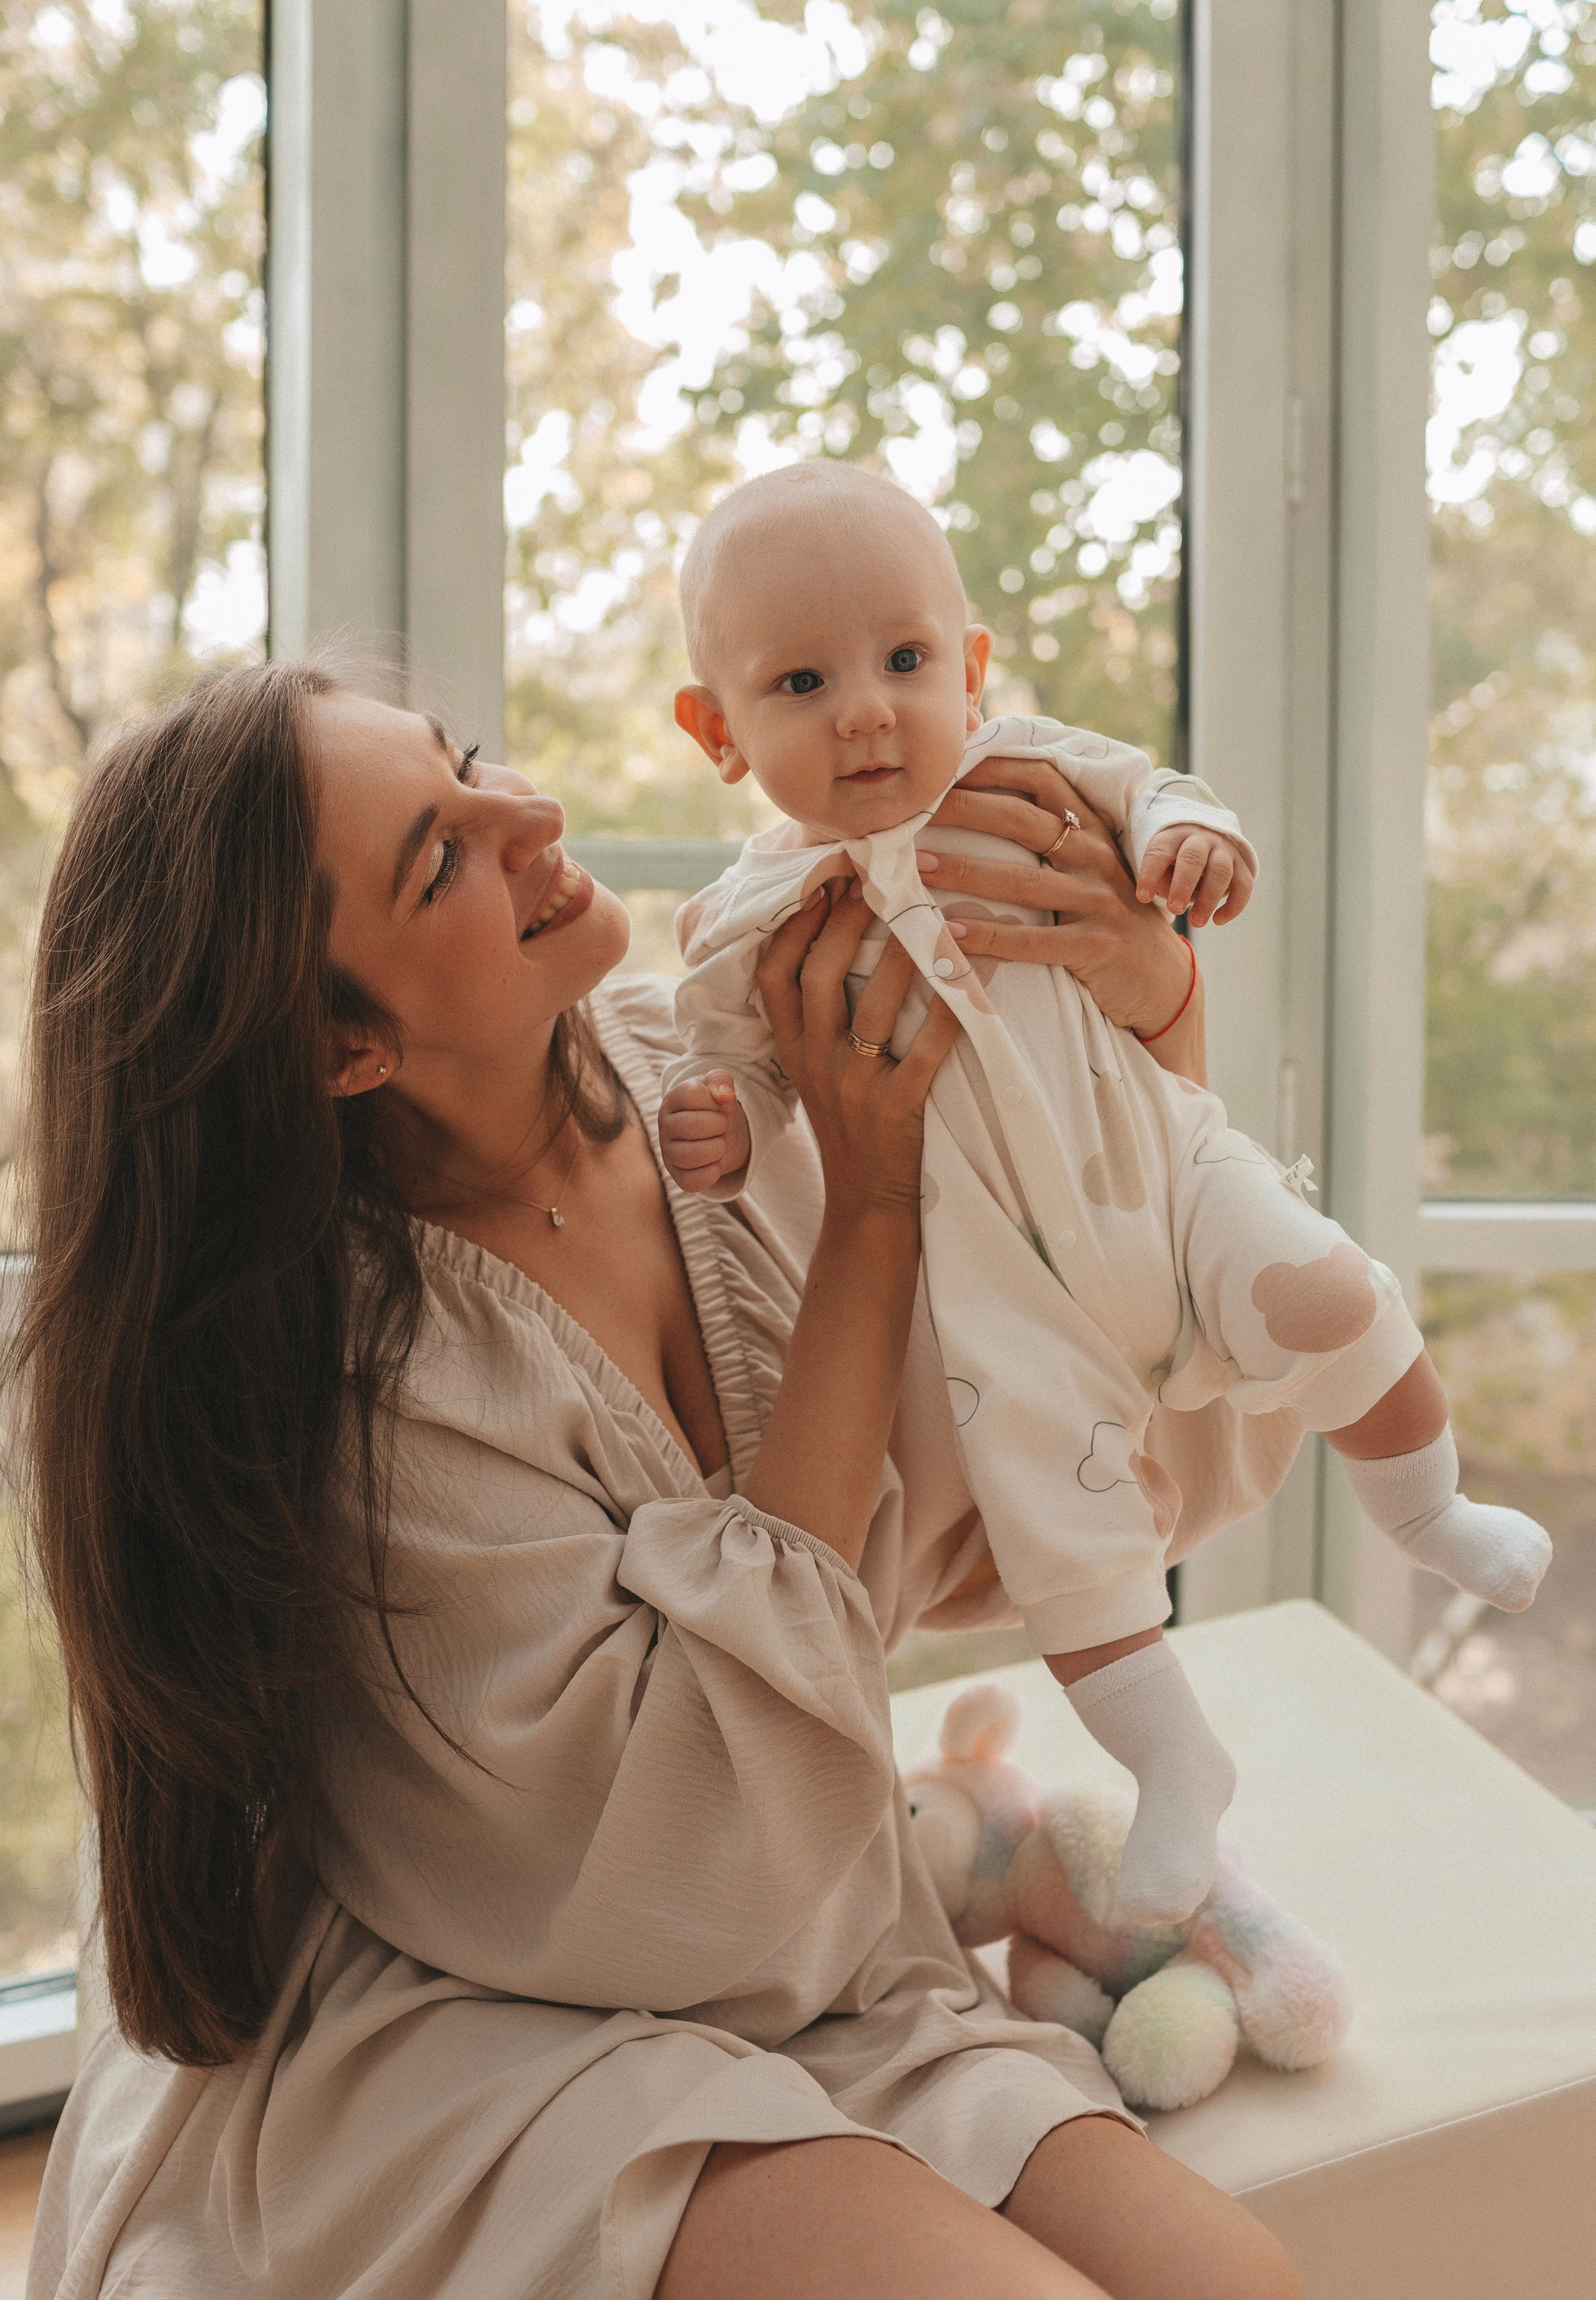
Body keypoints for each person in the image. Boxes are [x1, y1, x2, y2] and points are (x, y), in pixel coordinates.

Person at [18, 657, 1304, 2300]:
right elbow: (693, 1866)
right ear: (344, 1047)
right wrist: (872, 1214)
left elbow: (1073, 1443)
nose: (530, 814)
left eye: (468, 763)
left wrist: (1149, 1024)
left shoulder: (711, 1077)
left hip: (819, 1948)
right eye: (441, 856)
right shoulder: (363, 1379)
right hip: (486, 2019)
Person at [660, 463, 1551, 1924]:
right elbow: (742, 1078)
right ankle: (1175, 1761)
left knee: (1329, 1291)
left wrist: (1188, 845)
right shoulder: (747, 921)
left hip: (1163, 1174)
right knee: (1055, 1530)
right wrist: (720, 1126)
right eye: (801, 683)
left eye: (903, 661)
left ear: (972, 665)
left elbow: (1160, 795)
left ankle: (1427, 1506)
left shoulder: (1028, 772)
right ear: (716, 730)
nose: (867, 711)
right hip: (988, 1289)